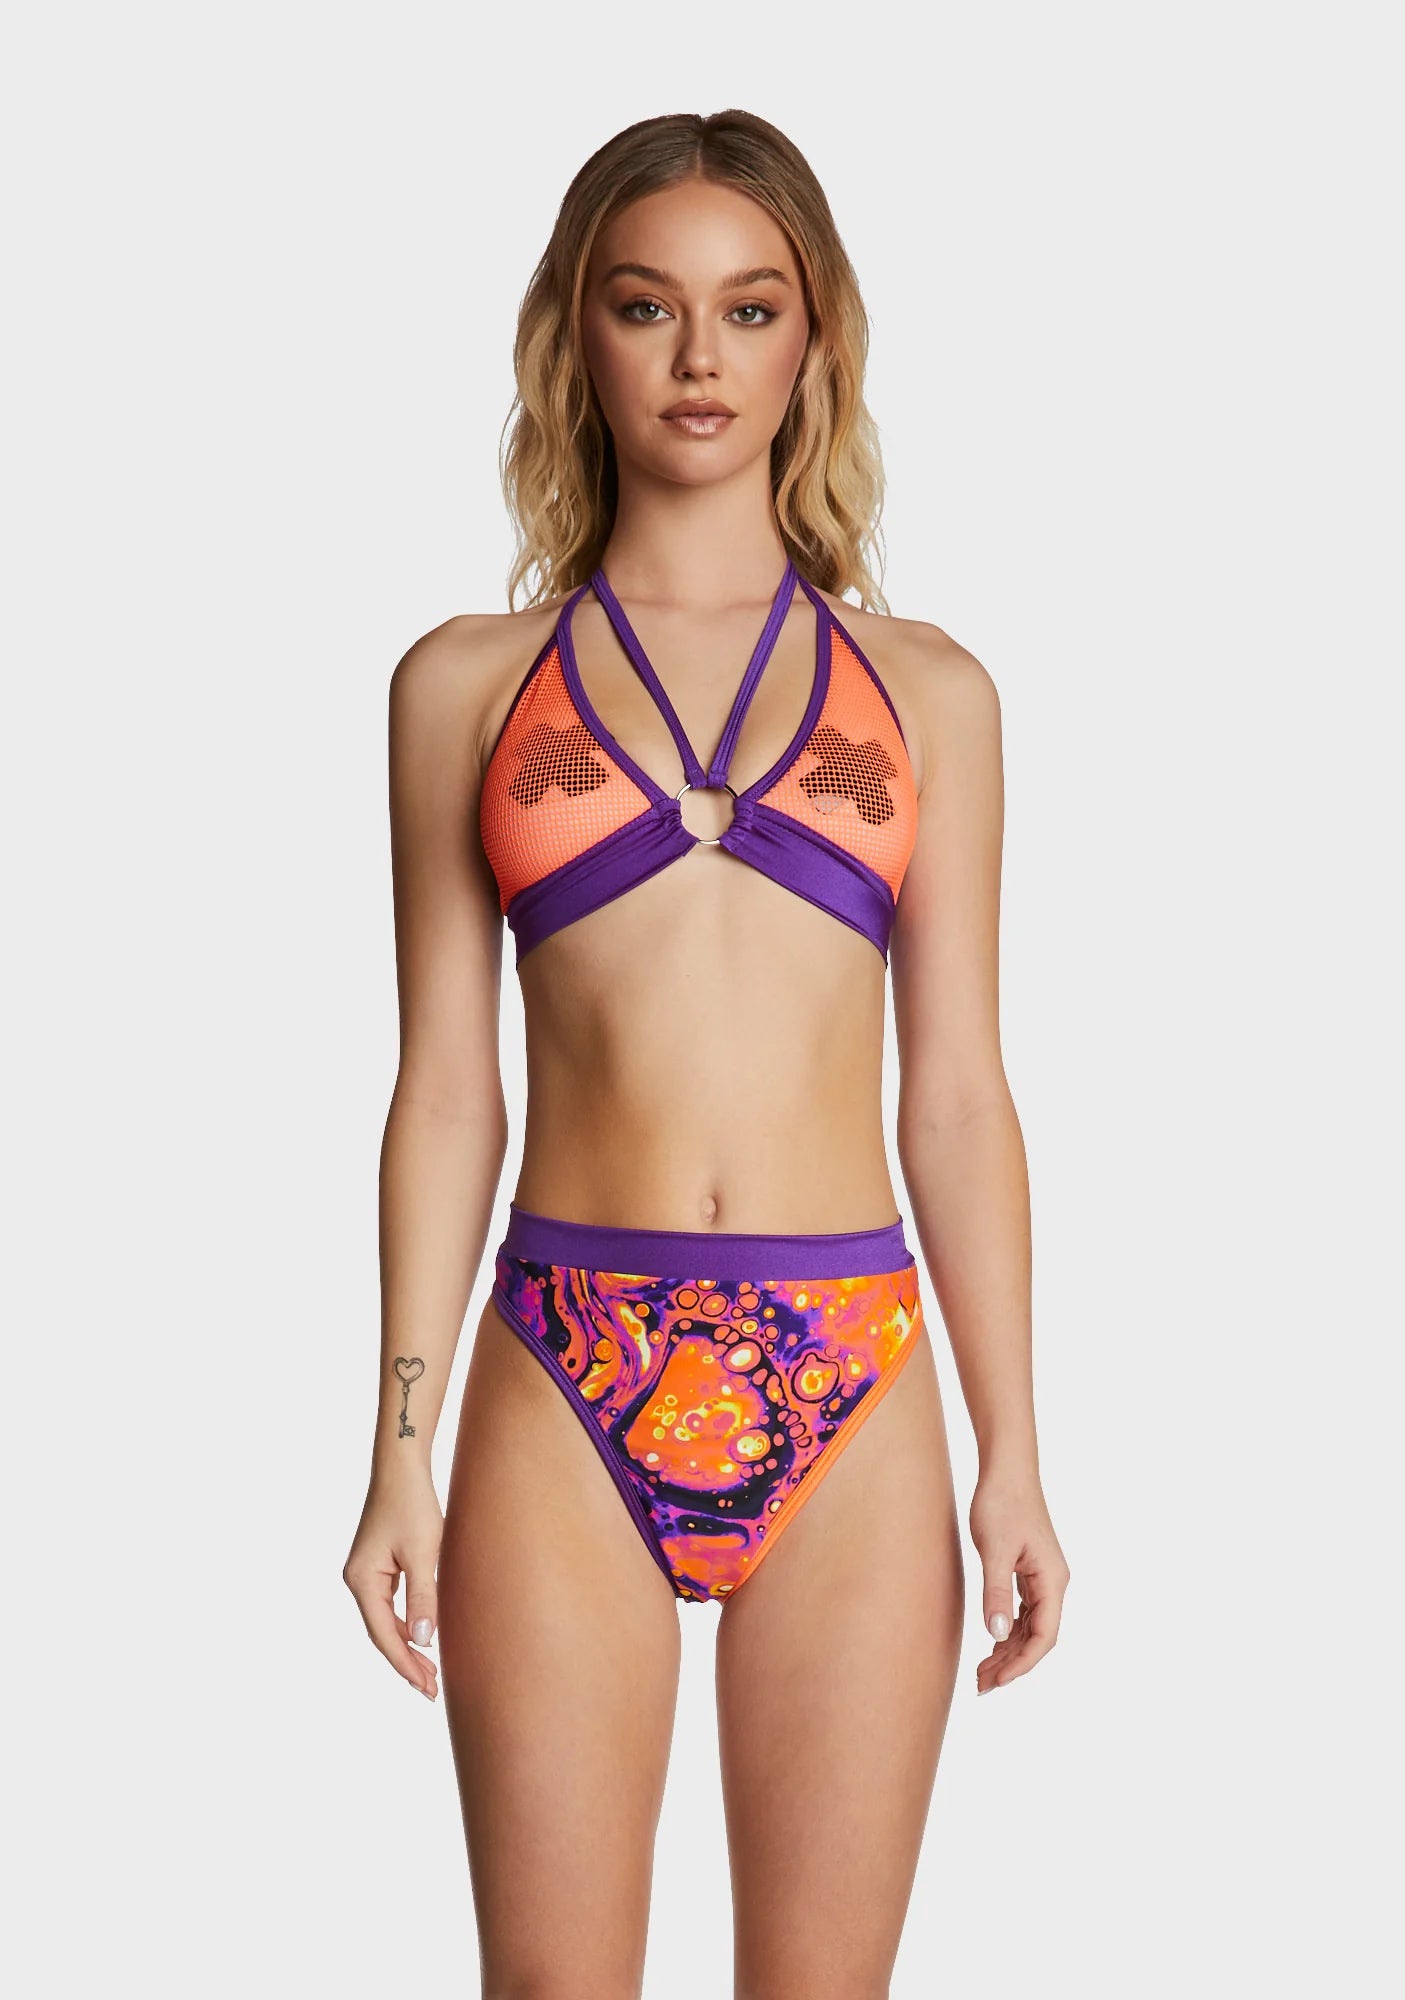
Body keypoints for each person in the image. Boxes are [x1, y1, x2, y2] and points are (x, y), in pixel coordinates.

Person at [344, 107, 1069, 1999]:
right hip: (563, 1360)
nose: (697, 357)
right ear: (571, 333)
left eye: (750, 309)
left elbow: (958, 1096)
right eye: (644, 304)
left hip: (850, 1368)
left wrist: (1013, 1453)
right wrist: (397, 1454)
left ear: (812, 341)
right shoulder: (460, 686)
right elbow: (445, 1092)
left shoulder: (929, 691)